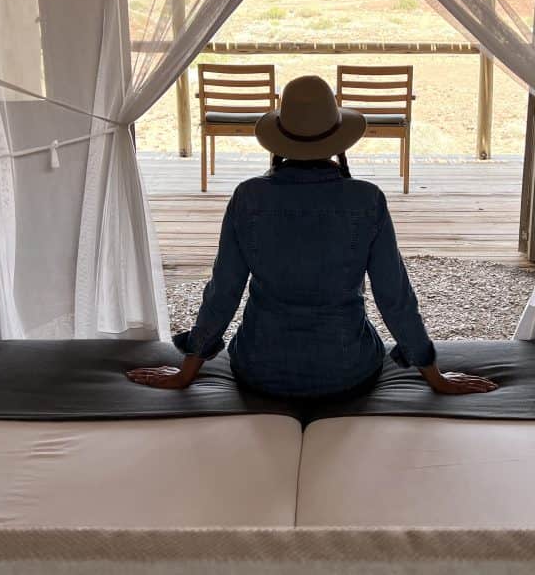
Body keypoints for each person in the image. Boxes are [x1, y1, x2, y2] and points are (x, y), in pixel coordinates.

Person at [128, 75, 497, 398]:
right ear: (339, 138)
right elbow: (394, 295)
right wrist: (434, 376)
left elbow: (223, 291)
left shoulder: (248, 197)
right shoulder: (366, 199)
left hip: (259, 370)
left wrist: (185, 374)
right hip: (347, 370)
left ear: (278, 139)